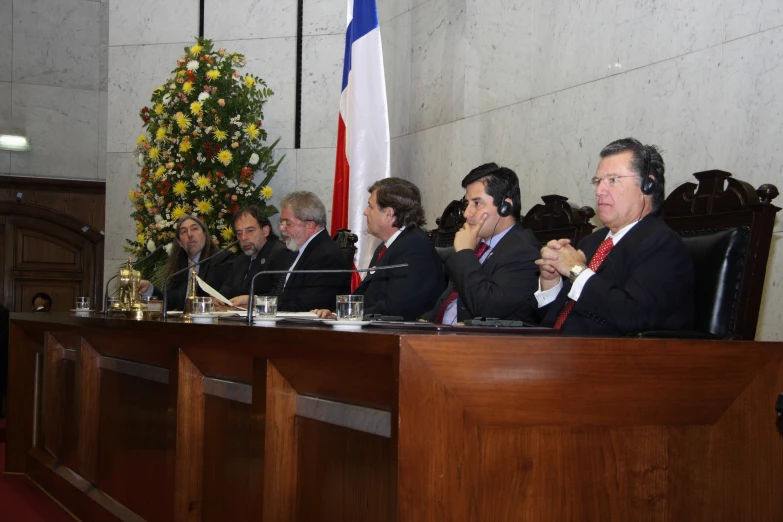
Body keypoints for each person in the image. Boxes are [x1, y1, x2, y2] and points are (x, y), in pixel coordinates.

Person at [535, 137, 694, 335]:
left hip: (608, 359)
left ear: (647, 185)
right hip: (554, 351)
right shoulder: (591, 242)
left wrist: (576, 270)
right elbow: (556, 318)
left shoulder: (661, 244)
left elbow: (633, 318)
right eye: (598, 181)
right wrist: (551, 283)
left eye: (613, 180)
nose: (600, 191)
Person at [420, 163, 540, 324]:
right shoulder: (480, 245)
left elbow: (487, 308)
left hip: (484, 344)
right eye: (467, 204)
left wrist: (464, 254)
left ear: (505, 207)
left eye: (477, 203)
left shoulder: (523, 251)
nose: (467, 213)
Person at [312, 178, 446, 320]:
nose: (365, 212)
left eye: (370, 206)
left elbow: (396, 309)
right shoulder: (389, 246)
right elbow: (365, 296)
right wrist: (334, 313)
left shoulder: (415, 249)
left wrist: (343, 315)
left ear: (388, 214)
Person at [275, 191, 351, 311]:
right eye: (282, 222)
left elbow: (306, 308)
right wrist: (252, 300)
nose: (281, 228)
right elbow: (281, 295)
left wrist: (262, 306)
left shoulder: (327, 258)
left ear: (310, 225)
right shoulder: (295, 249)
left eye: (288, 223)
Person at [141, 214, 234, 311]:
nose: (190, 234)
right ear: (179, 242)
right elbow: (167, 303)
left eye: (194, 229)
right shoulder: (180, 268)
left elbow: (226, 296)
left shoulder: (221, 259)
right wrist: (148, 290)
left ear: (204, 235)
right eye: (184, 232)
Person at [219, 205, 290, 308]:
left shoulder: (280, 253)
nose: (243, 238)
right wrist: (218, 301)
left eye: (250, 231)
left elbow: (282, 295)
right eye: (239, 233)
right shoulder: (239, 261)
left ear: (265, 231)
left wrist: (253, 301)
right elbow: (226, 292)